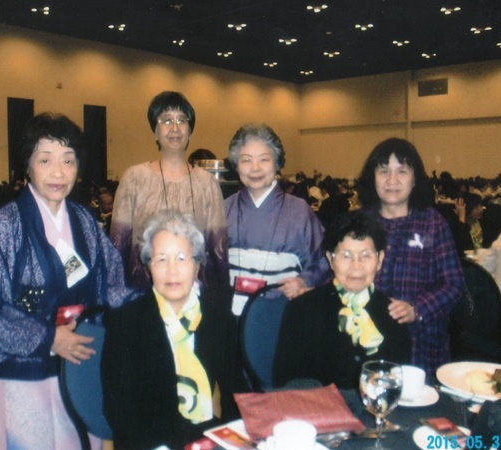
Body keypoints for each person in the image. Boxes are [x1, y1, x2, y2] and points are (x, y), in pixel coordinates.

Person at [0, 113, 137, 449]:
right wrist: (49, 338)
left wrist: (161, 299)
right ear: (28, 165)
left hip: (79, 363)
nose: (58, 172)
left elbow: (112, 286)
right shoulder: (3, 226)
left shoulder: (84, 221)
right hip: (23, 369)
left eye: (68, 160)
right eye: (45, 160)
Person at [102, 210, 245, 449]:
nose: (172, 270)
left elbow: (235, 394)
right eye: (161, 259)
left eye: (181, 258)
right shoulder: (126, 323)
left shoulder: (220, 321)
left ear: (197, 265)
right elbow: (122, 411)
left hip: (211, 439)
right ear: (148, 267)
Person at [356, 137, 464, 375]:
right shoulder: (359, 223)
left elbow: (454, 284)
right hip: (366, 338)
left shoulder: (433, 223)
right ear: (372, 177)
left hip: (421, 343)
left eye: (402, 171)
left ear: (415, 179)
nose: (392, 180)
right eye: (383, 171)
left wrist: (417, 308)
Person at [110, 91, 229, 302]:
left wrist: (219, 304)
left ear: (190, 130)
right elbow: (118, 248)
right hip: (141, 296)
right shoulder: (134, 179)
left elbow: (218, 253)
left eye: (181, 120)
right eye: (166, 120)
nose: (175, 128)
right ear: (155, 131)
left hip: (195, 298)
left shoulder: (207, 184)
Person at [272, 211, 411, 389]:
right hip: (317, 405)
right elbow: (287, 382)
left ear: (380, 260)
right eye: (346, 255)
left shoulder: (394, 314)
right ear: (330, 259)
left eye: (365, 255)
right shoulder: (302, 308)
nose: (356, 265)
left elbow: (398, 383)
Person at [224, 123, 328, 313]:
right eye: (246, 160)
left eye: (264, 159)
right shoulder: (224, 209)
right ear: (236, 165)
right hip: (232, 315)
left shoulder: (300, 211)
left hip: (284, 312)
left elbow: (324, 261)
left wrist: (303, 281)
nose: (255, 168)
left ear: (277, 163)